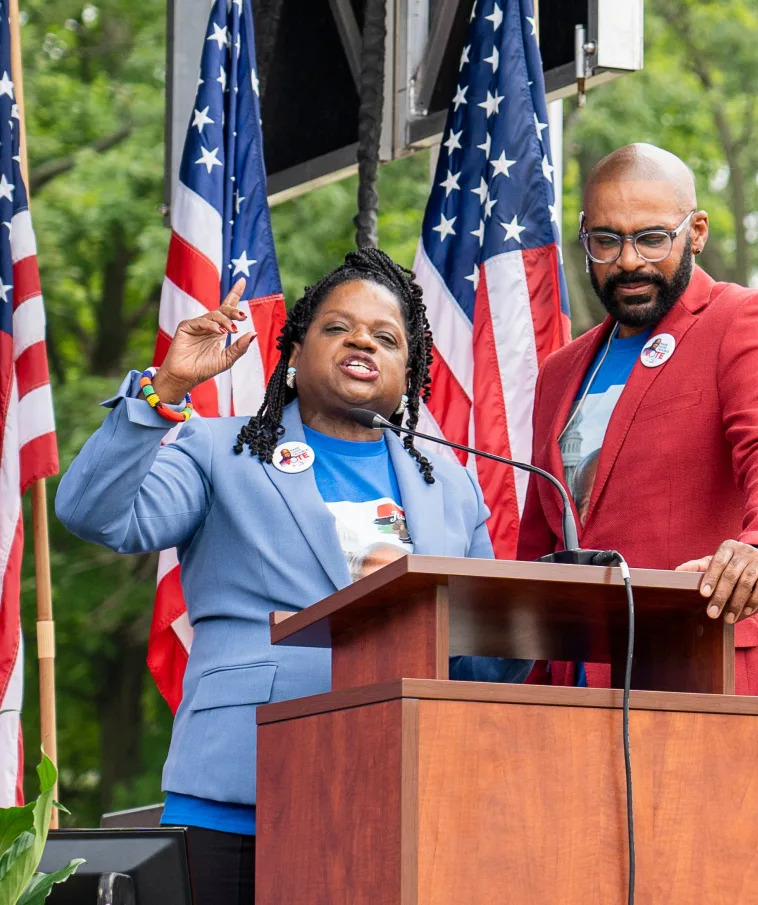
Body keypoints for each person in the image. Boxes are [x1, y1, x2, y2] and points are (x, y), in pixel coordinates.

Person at [56, 248, 522, 905]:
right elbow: (94, 512)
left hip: (401, 802)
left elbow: (475, 661)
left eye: (386, 337)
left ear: (410, 373)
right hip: (239, 794)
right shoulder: (218, 449)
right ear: (295, 355)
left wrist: (530, 626)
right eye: (337, 328)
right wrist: (165, 392)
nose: (362, 339)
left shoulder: (452, 484)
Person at [517, 143, 758, 696]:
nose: (629, 260)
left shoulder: (747, 318)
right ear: (584, 235)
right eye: (606, 241)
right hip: (570, 690)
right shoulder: (560, 372)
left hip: (704, 666)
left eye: (652, 238)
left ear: (697, 231)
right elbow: (539, 546)